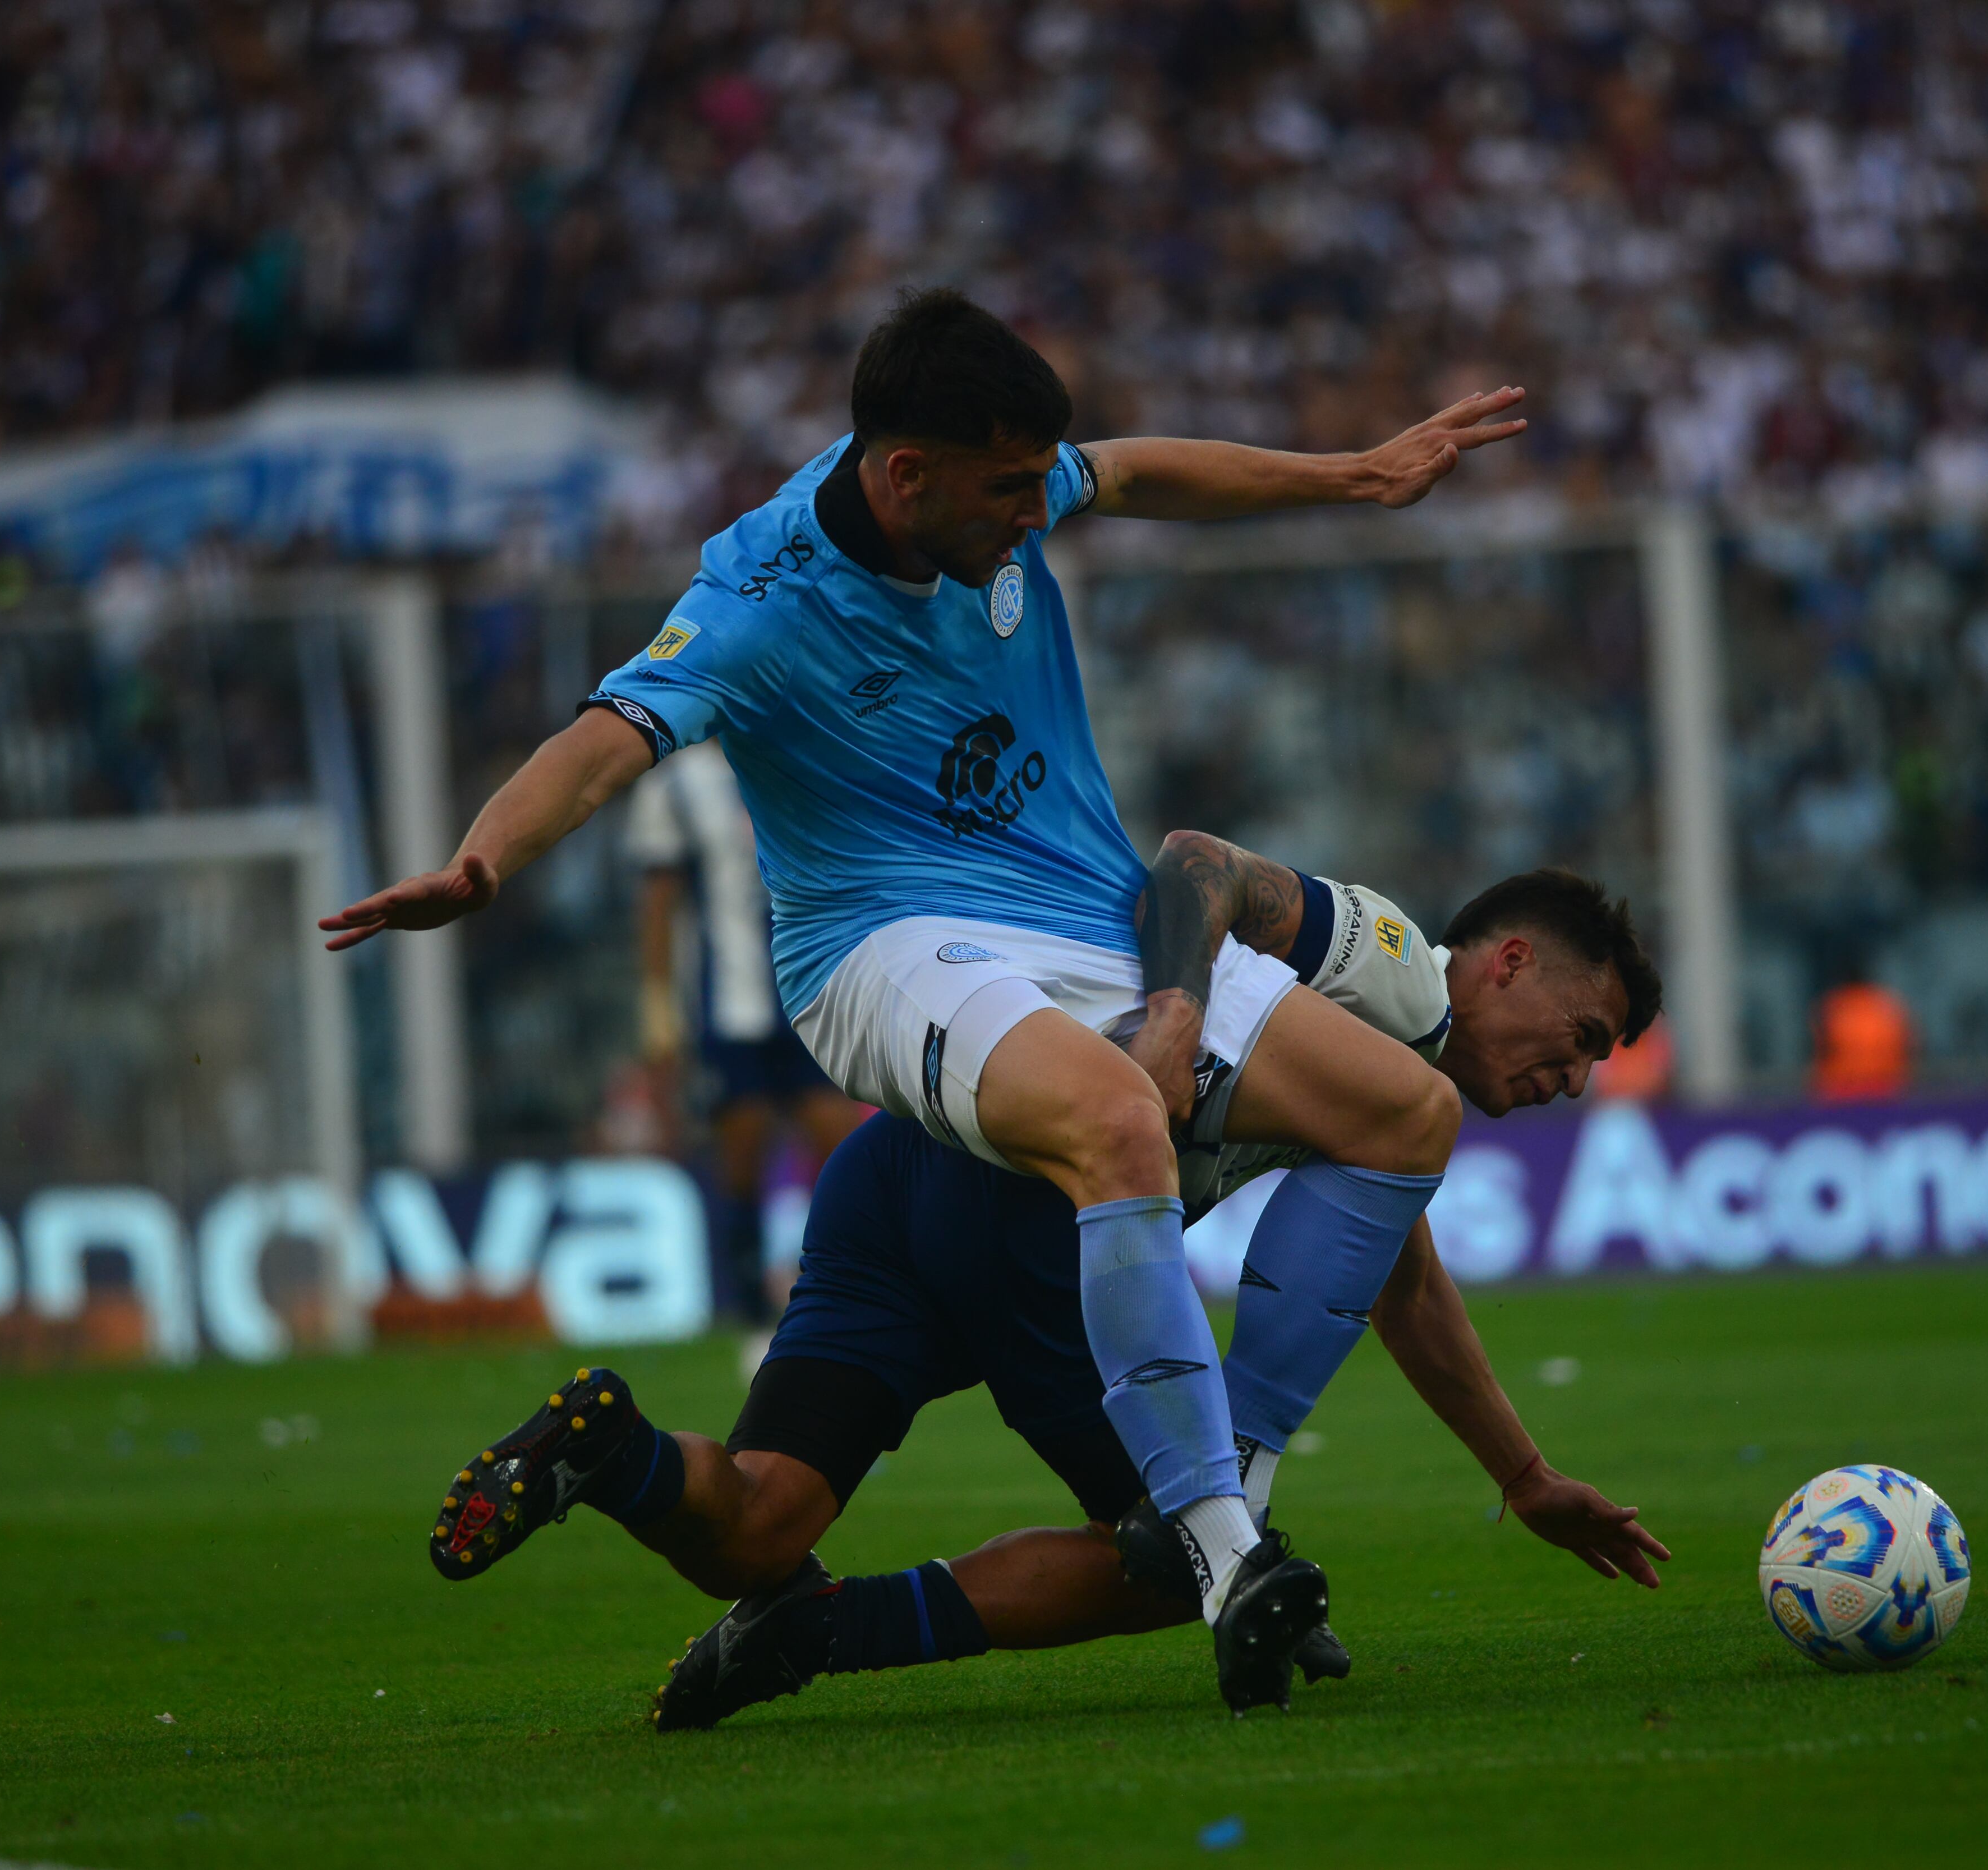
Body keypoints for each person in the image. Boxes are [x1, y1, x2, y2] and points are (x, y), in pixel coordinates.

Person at [326, 289, 1531, 1710]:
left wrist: (1357, 474)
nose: (1039, 517)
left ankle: (651, 1464)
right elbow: (605, 741)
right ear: (904, 475)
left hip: (1071, 924)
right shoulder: (757, 606)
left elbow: (1136, 469)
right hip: (881, 944)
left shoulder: (1000, 486)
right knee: (1114, 1119)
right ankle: (1223, 1543)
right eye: (1011, 491)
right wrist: (482, 862)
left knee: (1404, 1110)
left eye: (1040, 485)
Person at [424, 853, 1669, 1728]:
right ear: (1507, 961)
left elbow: (1400, 1281)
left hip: (897, 1174)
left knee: (754, 1522)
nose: (1581, 1075)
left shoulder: (1381, 1113)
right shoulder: (1396, 973)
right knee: (1181, 1551)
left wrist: (1519, 1474)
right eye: (1589, 1032)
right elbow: (1198, 861)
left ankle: (612, 1451)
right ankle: (819, 1631)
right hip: (1026, 1199)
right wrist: (1175, 1014)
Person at [627, 740, 864, 1321]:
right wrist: (657, 1004)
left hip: (811, 990)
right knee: (741, 1148)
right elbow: (659, 900)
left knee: (839, 1142)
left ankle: (847, 1283)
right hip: (729, 1002)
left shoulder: (802, 748)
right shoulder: (674, 784)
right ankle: (748, 1299)